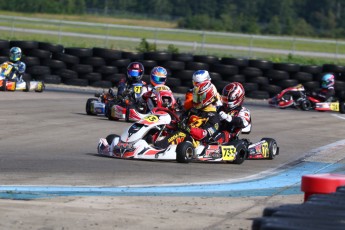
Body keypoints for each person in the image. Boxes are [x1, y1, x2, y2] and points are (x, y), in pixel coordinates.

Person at [155, 82, 222, 148]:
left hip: (198, 143)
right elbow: (181, 121)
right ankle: (151, 141)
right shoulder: (193, 110)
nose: (196, 100)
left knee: (180, 134)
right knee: (164, 130)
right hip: (184, 138)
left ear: (208, 97)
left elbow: (203, 134)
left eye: (199, 97)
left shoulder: (214, 117)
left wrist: (187, 128)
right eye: (196, 97)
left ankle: (158, 147)